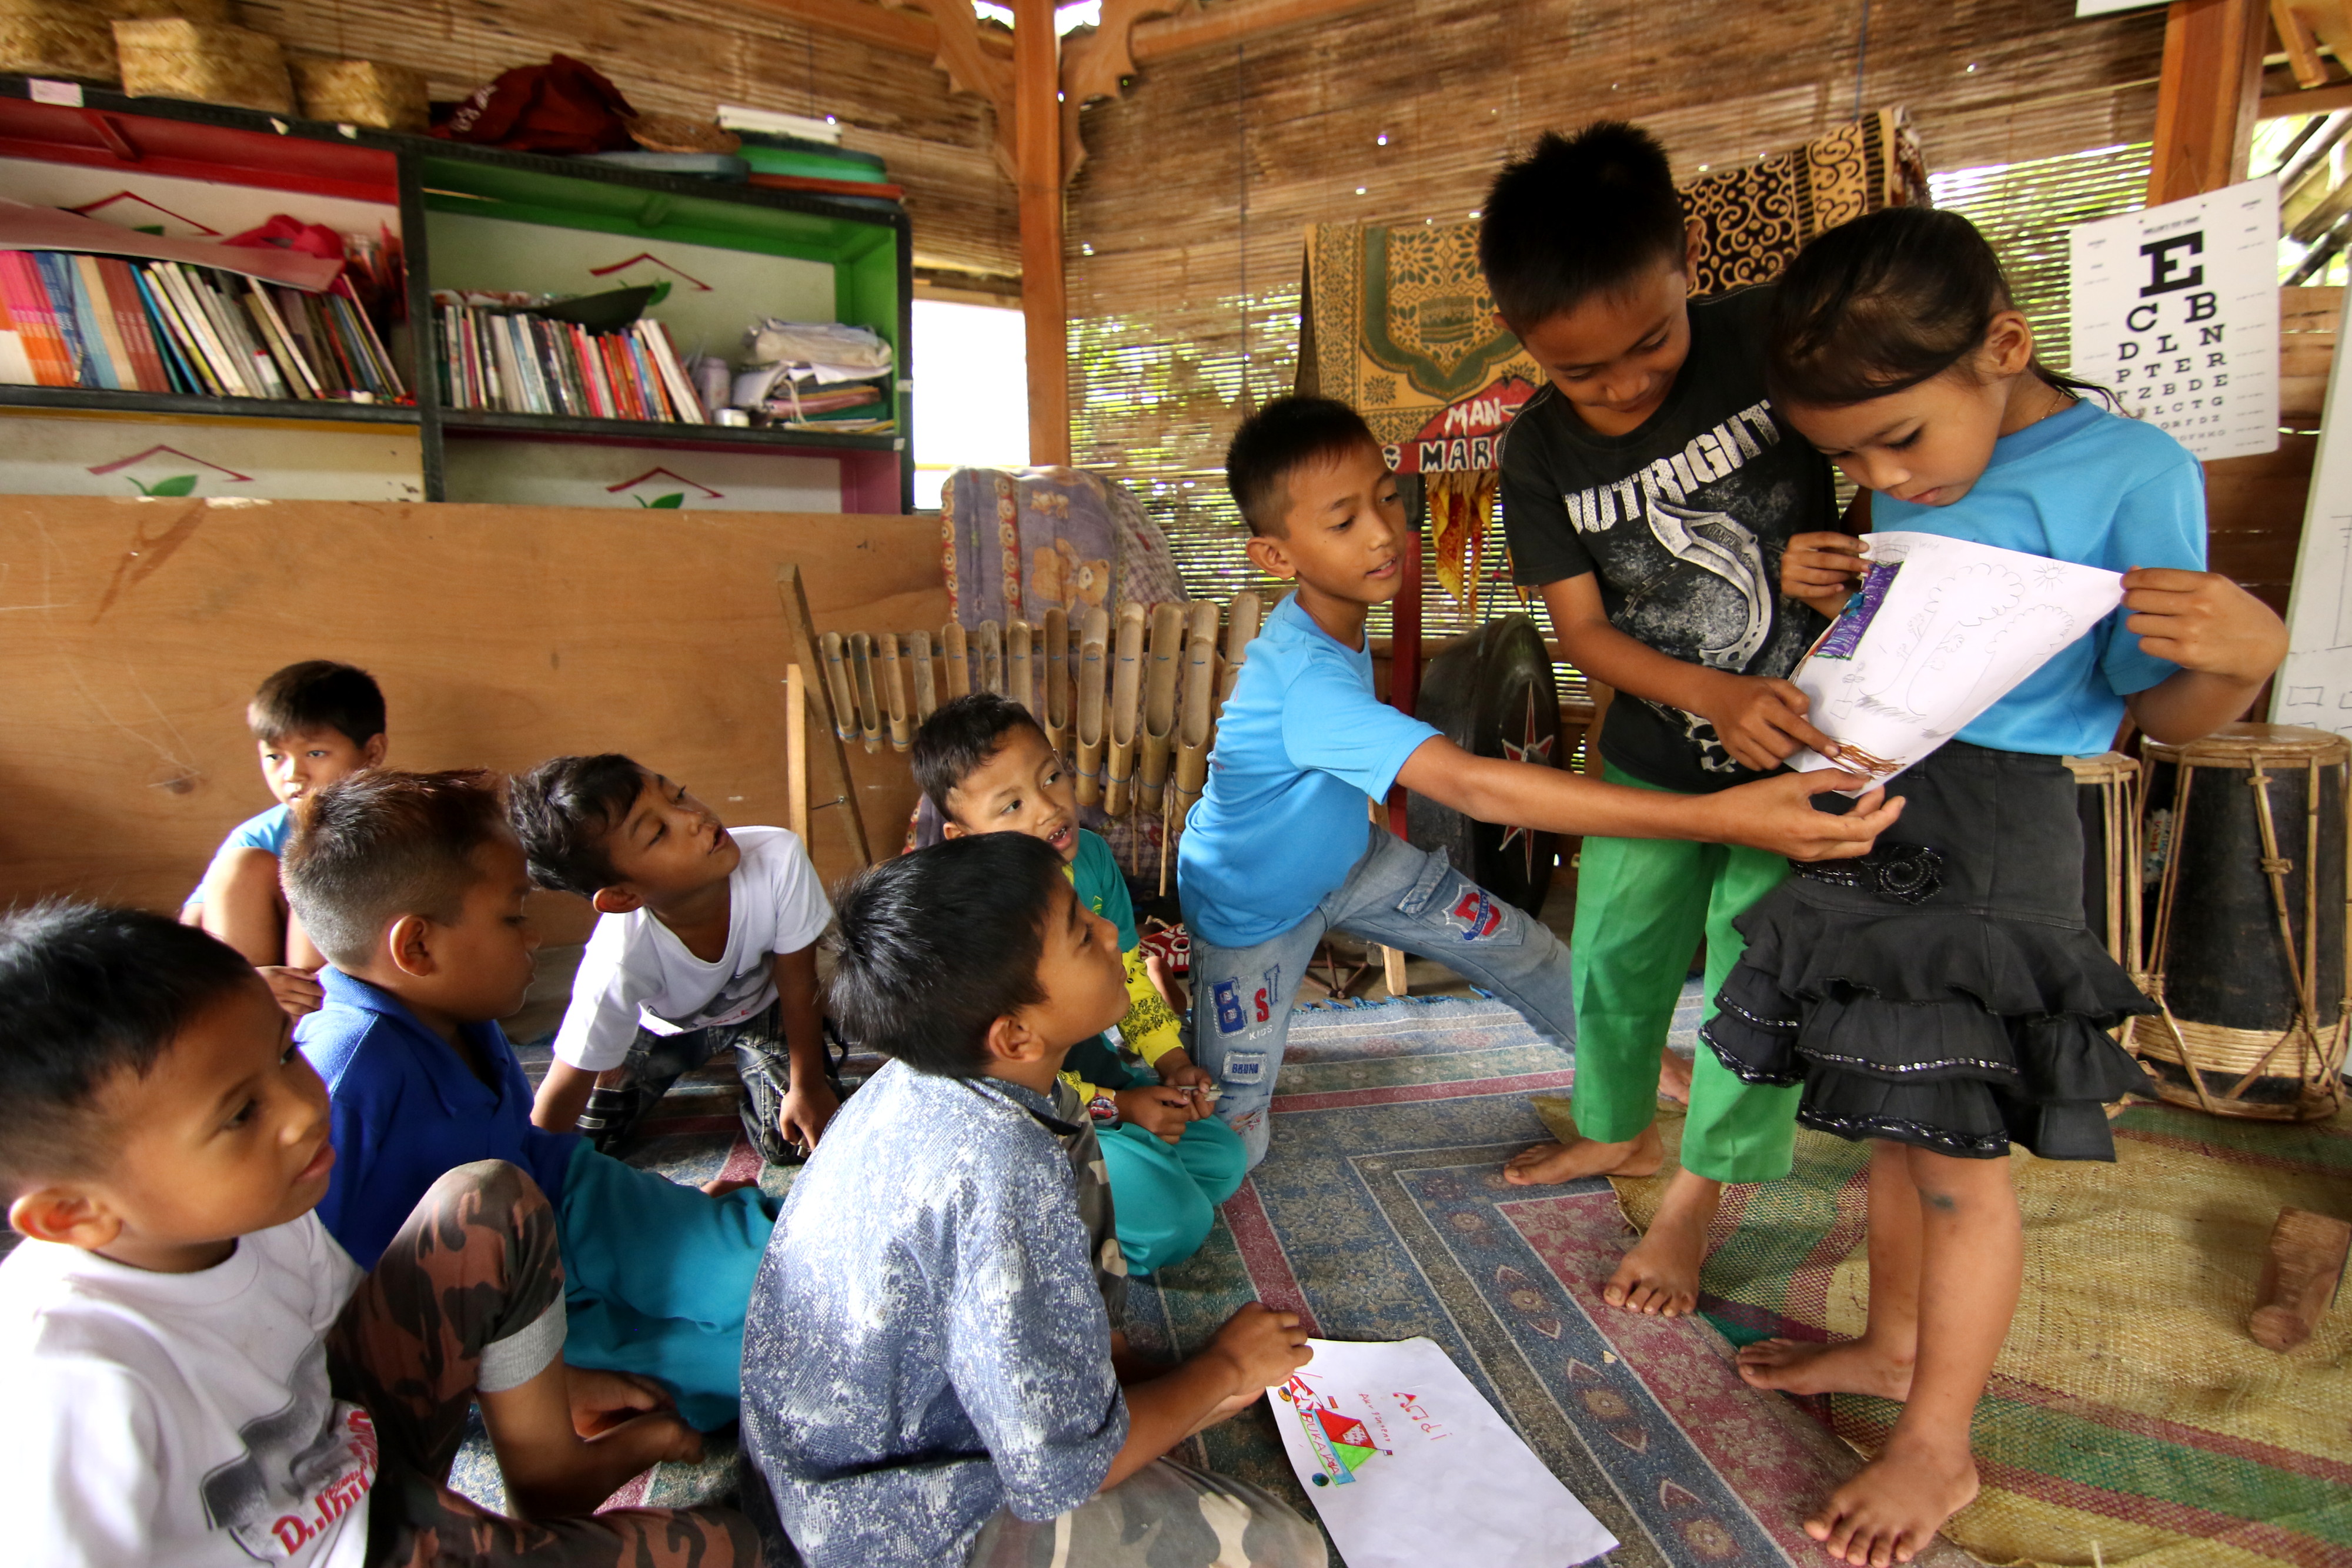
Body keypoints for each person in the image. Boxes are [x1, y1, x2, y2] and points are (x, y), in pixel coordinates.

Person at [1711, 206, 2287, 1565]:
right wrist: (1835, 596)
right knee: (1894, 1117)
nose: (1880, 476)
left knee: (1959, 1158)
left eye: (1895, 440)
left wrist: (2244, 656)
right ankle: (1889, 1343)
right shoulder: (1913, 470)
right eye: (1847, 459)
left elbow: (2163, 710)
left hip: (1999, 829)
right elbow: (1915, 638)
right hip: (1882, 795)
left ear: (2004, 348)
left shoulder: (2131, 469)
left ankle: (1939, 1442)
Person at [1177, 393, 1902, 1174]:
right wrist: (1722, 815)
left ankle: (1630, 1073)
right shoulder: (1304, 685)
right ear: (1276, 556)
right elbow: (1475, 787)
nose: (1384, 531)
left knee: (1524, 947)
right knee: (1231, 1138)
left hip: (1351, 859)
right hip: (1252, 907)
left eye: (1385, 497)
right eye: (1343, 520)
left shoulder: (1326, 620)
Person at [0, 902, 756, 1567]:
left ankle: (550, 1468)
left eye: (286, 1054)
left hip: (349, 1477)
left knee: (485, 1200)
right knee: (743, 1549)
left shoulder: (264, 1207)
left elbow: (364, 1335)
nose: (304, 1109)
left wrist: (551, 1383)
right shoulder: (67, 1385)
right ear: (71, 1215)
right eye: (240, 1114)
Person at [1478, 122, 1859, 1318]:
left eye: (1648, 343)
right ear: (1524, 341)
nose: (1624, 385)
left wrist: (1846, 553)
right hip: (1650, 759)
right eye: (1579, 370)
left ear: (1687, 262)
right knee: (1612, 957)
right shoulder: (1537, 454)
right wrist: (1710, 694)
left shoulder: (1769, 339)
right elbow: (1586, 636)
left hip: (1799, 751)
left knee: (1758, 975)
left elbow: (1890, 462)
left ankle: (1698, 1190)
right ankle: (1616, 1129)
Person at [740, 833, 1323, 1568]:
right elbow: (1063, 1477)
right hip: (868, 1521)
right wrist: (1226, 1370)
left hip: (832, 1451)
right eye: (1081, 933)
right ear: (1015, 1035)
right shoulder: (1000, 1169)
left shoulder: (942, 1078)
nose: (1110, 932)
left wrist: (1152, 1384)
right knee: (1284, 1549)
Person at [283, 768, 779, 1432]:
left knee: (783, 1266)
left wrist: (661, 1213)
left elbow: (528, 1146)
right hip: (488, 1313)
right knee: (752, 1368)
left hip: (565, 1198)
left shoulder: (455, 1007)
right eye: (513, 915)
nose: (534, 936)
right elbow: (324, 1318)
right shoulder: (340, 1086)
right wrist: (540, 1385)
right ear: (417, 946)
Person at [914, 692, 1243, 1276]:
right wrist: (1120, 1108)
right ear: (963, 837)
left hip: (1087, 1070)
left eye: (1051, 777)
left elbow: (1128, 972)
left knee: (1224, 1157)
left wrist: (1169, 1063)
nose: (1049, 808)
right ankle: (1044, 1217)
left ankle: (1116, 1172)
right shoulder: (975, 926)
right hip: (1022, 1115)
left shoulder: (1090, 857)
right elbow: (1007, 1084)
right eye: (1012, 804)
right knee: (1178, 1222)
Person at [509, 755, 835, 1164]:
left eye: (678, 795)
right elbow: (568, 1079)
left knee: (800, 1138)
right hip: (663, 1032)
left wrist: (808, 1085)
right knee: (585, 1137)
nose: (695, 817)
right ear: (624, 897)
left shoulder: (778, 858)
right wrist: (526, 1171)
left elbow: (798, 981)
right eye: (659, 832)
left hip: (762, 1013)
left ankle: (759, 1067)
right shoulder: (617, 958)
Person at [185, 660, 387, 1020]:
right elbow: (188, 934)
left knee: (327, 854)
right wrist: (248, 983)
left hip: (354, 992)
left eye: (315, 753)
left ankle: (317, 1032)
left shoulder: (404, 822)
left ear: (372, 752)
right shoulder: (257, 836)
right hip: (267, 1003)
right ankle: (254, 1018)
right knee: (241, 866)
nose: (293, 774)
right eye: (275, 757)